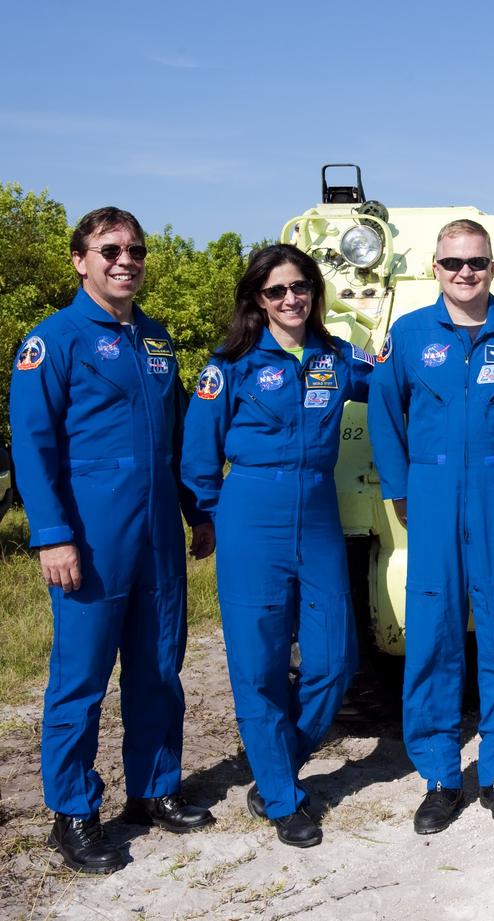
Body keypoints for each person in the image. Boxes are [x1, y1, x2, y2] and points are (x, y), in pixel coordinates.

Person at [10, 207, 216, 874]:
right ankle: (72, 809)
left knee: (159, 666)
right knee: (81, 679)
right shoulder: (53, 340)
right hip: (90, 539)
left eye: (135, 249)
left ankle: (154, 789)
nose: (125, 259)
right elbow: (34, 447)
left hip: (157, 532)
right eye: (109, 249)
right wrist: (51, 535)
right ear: (80, 259)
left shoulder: (157, 341)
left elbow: (180, 436)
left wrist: (197, 511)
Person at [367, 219, 494, 834]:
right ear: (435, 267)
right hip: (431, 492)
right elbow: (385, 412)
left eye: (478, 263)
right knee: (431, 634)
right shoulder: (407, 335)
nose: (466, 273)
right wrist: (401, 487)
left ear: (493, 267)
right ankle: (438, 776)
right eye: (454, 262)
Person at [181, 243, 373, 847]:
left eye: (300, 288)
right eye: (276, 292)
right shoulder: (231, 364)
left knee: (335, 658)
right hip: (250, 515)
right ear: (257, 301)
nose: (290, 300)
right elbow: (197, 452)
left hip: (317, 510)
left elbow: (397, 379)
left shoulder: (337, 358)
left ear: (315, 292)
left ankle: (276, 761)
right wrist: (205, 517)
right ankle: (282, 797)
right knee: (260, 662)